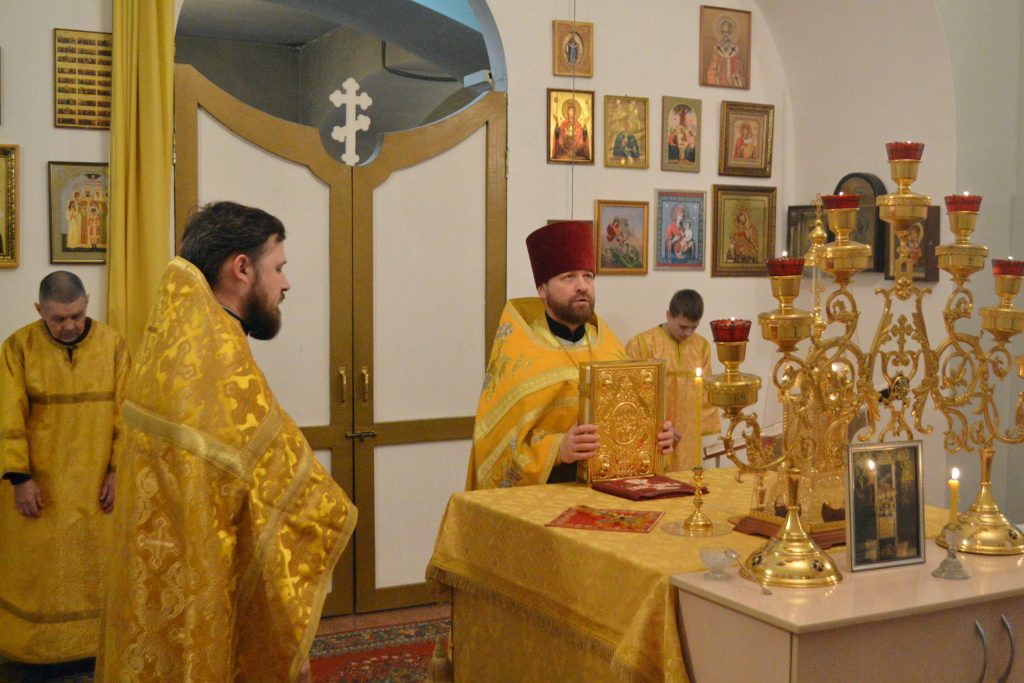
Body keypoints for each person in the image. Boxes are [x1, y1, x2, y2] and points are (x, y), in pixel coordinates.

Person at [95, 201, 357, 682]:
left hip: (153, 582)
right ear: (241, 268)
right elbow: (276, 490)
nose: (285, 283)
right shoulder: (215, 366)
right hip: (204, 583)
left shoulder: (174, 347)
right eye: (277, 268)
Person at [466, 220, 677, 489]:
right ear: (542, 290)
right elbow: (495, 450)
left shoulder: (609, 348)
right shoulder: (520, 354)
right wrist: (557, 449)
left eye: (588, 276)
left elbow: (629, 428)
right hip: (545, 496)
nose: (582, 286)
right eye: (569, 277)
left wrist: (656, 438)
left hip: (608, 494)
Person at [0, 271, 131, 663]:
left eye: (76, 315)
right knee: (37, 574)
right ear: (39, 310)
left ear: (86, 302)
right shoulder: (17, 348)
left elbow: (127, 414)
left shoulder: (113, 345)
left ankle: (96, 652)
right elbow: (7, 415)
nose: (70, 325)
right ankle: (33, 654)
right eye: (58, 318)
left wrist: (117, 470)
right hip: (40, 487)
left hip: (96, 486)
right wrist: (20, 478)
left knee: (98, 570)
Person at [626, 290, 721, 471]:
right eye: (683, 327)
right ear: (669, 315)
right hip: (653, 436)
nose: (688, 333)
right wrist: (659, 425)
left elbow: (705, 393)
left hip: (688, 438)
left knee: (687, 481)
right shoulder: (642, 345)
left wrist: (700, 430)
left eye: (693, 327)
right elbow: (630, 396)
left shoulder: (701, 346)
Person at [706, 16, 745, 87]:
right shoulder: (716, 49)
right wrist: (715, 78)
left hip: (732, 82)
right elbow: (712, 69)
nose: (725, 34)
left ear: (730, 33)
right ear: (721, 32)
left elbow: (739, 70)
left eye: (727, 32)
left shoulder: (736, 50)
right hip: (719, 81)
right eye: (724, 32)